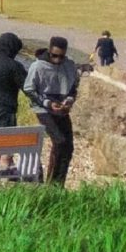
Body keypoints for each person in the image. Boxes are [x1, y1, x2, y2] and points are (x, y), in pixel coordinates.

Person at [26, 36, 81, 184]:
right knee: (60, 141)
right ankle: (51, 183)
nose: (57, 59)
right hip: (43, 108)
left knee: (68, 147)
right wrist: (48, 103)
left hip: (62, 108)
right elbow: (29, 90)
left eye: (61, 56)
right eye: (54, 56)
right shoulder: (37, 66)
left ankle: (58, 183)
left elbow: (73, 89)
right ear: (49, 51)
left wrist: (69, 102)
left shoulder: (69, 66)